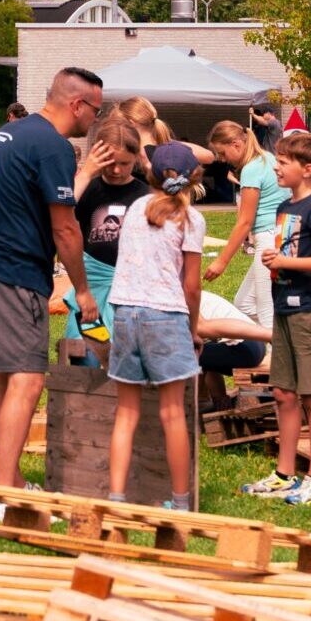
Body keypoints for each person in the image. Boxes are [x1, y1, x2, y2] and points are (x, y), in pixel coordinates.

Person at [0, 67, 101, 508]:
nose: (94, 120)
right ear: (76, 104)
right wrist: (81, 289)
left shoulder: (12, 132)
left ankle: (12, 480)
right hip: (13, 269)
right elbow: (65, 228)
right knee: (28, 378)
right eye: (95, 110)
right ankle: (2, 497)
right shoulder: (53, 147)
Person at [106, 143, 205, 512]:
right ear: (195, 178)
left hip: (125, 312)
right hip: (165, 315)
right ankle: (180, 503)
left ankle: (116, 498)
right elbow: (191, 287)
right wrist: (193, 331)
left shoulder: (134, 209)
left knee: (126, 413)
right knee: (172, 413)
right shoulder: (191, 220)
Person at [243, 131, 311, 505]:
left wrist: (285, 262)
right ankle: (285, 474)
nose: (277, 166)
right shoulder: (285, 207)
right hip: (284, 305)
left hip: (309, 310)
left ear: (308, 169)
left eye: (284, 162)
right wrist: (275, 266)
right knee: (283, 391)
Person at [62, 114, 147, 350]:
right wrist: (87, 173)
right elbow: (63, 212)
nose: (117, 170)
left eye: (125, 163)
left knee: (124, 351)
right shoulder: (87, 188)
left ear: (136, 159)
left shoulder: (145, 195)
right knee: (85, 349)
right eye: (109, 162)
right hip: (93, 285)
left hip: (130, 289)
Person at [205, 120, 291, 328]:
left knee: (266, 309)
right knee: (244, 304)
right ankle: (274, 343)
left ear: (236, 144)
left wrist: (221, 262)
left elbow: (244, 222)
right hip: (280, 236)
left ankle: (277, 355)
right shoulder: (268, 159)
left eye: (223, 154)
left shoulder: (252, 169)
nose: (223, 160)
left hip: (268, 241)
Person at [197, 291, 273, 412]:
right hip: (256, 345)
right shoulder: (196, 295)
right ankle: (221, 404)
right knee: (206, 355)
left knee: (189, 354)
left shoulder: (182, 300)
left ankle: (200, 403)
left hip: (244, 348)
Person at [117, 96, 215, 175]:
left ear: (131, 123)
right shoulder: (166, 149)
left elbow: (209, 157)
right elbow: (209, 157)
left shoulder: (132, 154)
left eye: (118, 124)